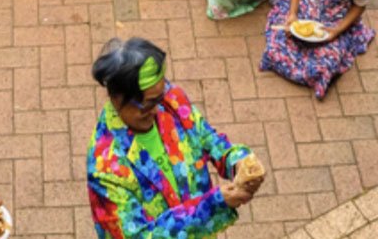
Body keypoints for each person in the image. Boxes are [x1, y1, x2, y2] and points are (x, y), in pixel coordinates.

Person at [87, 36, 262, 235]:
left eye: (159, 97)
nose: (157, 110)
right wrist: (212, 205)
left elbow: (206, 138)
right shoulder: (105, 168)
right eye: (147, 105)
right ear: (117, 98)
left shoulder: (168, 98)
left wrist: (237, 161)